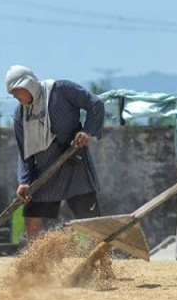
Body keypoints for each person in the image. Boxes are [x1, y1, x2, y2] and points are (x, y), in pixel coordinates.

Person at [6, 65, 106, 241]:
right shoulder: (20, 114)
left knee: (91, 221)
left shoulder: (62, 90)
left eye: (16, 92)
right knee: (32, 219)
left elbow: (95, 104)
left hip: (74, 167)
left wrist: (88, 131)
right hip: (44, 173)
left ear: (28, 84)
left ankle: (102, 263)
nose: (15, 97)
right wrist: (24, 181)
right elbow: (24, 152)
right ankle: (40, 266)